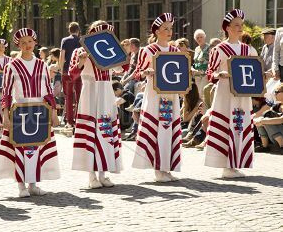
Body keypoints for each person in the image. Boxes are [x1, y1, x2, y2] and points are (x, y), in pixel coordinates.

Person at [0, 28, 60, 197]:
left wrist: (53, 113)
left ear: (35, 43)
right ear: (18, 45)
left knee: (36, 147)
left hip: (39, 110)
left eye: (30, 41)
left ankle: (33, 184)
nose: (27, 45)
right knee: (20, 148)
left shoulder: (42, 65)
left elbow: (48, 91)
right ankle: (21, 186)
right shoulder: (12, 66)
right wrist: (5, 115)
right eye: (23, 43)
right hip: (20, 110)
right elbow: (6, 92)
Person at [205, 9, 259, 178]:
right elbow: (210, 72)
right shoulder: (219, 49)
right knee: (226, 123)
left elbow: (255, 71)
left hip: (243, 94)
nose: (240, 28)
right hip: (225, 93)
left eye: (241, 25)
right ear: (227, 28)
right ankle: (226, 166)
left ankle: (236, 163)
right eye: (236, 25)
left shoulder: (249, 50)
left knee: (240, 124)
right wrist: (217, 75)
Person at [69, 21, 122, 188]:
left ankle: (103, 173)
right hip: (90, 91)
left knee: (105, 130)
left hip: (106, 91)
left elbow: (122, 68)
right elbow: (72, 74)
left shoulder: (109, 51)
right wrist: (81, 62)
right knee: (90, 131)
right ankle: (91, 175)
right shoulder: (80, 51)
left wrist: (122, 52)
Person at [131, 13, 182, 182]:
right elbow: (137, 72)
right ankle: (157, 169)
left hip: (171, 94)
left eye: (171, 28)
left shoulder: (175, 50)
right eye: (165, 28)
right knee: (157, 128)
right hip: (154, 94)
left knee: (169, 128)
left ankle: (167, 167)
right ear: (157, 30)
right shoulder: (148, 50)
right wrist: (146, 72)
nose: (169, 32)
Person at [59, 22, 82, 129]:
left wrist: (60, 69)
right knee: (79, 96)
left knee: (68, 96)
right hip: (79, 70)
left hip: (67, 70)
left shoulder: (65, 40)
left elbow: (62, 56)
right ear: (78, 31)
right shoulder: (82, 40)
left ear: (69, 30)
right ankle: (79, 118)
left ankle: (69, 121)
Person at [254, 83, 283, 153]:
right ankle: (265, 146)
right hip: (277, 133)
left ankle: (282, 144)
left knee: (267, 116)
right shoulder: (277, 105)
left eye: (277, 92)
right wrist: (260, 121)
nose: (275, 94)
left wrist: (263, 121)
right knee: (265, 116)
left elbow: (281, 120)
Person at [192, 29, 210, 100]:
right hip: (197, 75)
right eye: (197, 38)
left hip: (204, 75)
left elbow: (211, 61)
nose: (199, 39)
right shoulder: (196, 49)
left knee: (202, 94)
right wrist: (193, 69)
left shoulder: (209, 48)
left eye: (201, 37)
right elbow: (195, 62)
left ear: (204, 37)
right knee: (198, 95)